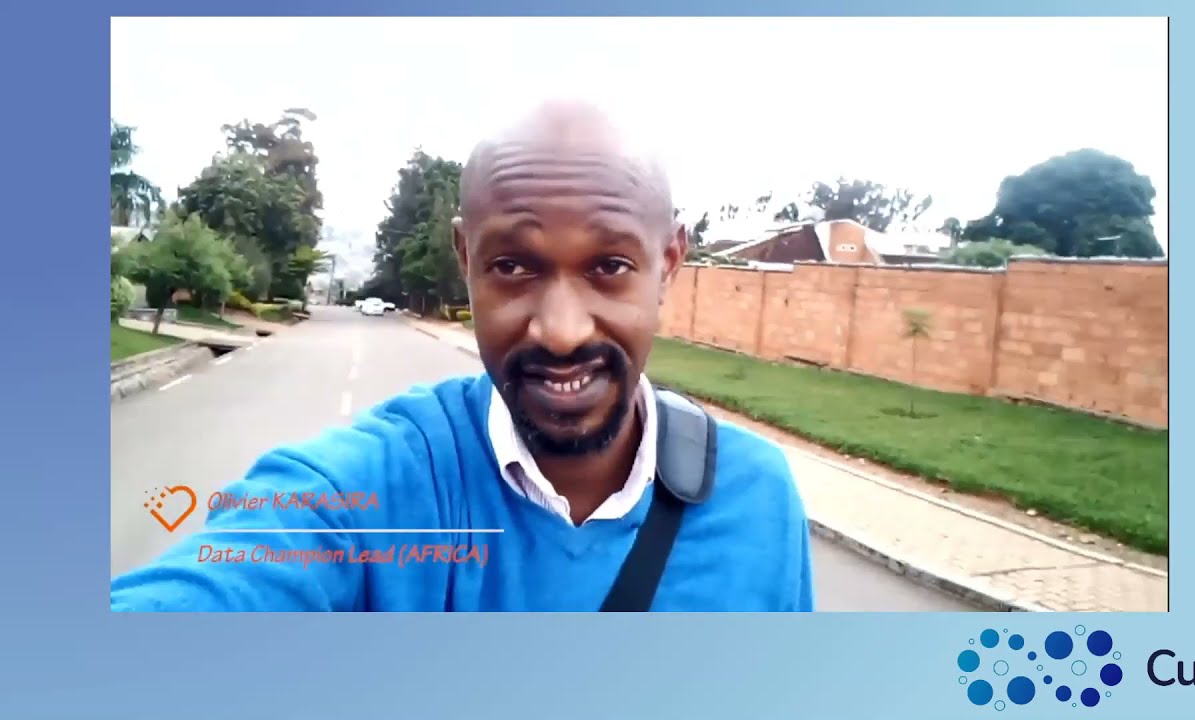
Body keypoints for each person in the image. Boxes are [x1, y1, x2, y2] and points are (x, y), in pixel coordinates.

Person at [110, 100, 814, 612]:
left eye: (609, 266)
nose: (561, 331)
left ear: (669, 263)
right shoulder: (372, 491)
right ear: (465, 257)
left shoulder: (757, 500)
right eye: (512, 266)